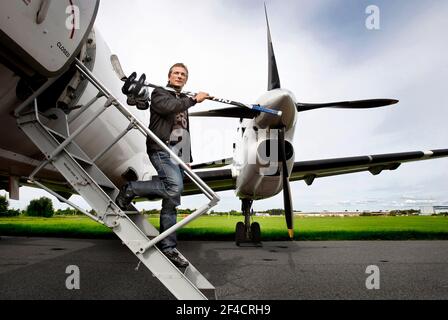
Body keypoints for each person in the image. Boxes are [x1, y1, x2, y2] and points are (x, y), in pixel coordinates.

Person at [116, 63, 209, 267]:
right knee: (174, 187)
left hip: (178, 155)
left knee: (172, 199)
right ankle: (131, 188)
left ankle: (168, 247)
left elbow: (183, 131)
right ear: (169, 76)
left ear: (186, 79)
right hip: (160, 149)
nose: (179, 76)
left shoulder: (182, 102)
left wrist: (186, 160)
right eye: (176, 73)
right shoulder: (159, 94)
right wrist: (193, 100)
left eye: (183, 74)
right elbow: (167, 107)